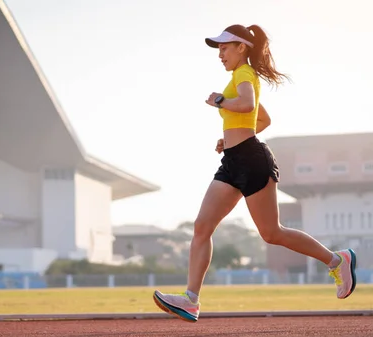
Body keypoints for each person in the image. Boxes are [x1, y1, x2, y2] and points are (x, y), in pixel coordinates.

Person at [152, 24, 357, 323]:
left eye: (224, 47)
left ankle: (337, 261)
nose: (220, 53)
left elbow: (247, 104)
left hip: (252, 160)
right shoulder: (238, 78)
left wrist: (220, 102)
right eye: (218, 48)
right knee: (201, 227)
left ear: (241, 48)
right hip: (234, 160)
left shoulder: (244, 75)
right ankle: (191, 300)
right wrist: (232, 137)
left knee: (272, 233)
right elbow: (263, 118)